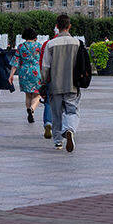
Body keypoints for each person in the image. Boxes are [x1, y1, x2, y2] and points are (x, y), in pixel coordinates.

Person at [41, 14, 81, 151]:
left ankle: (58, 141)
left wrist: (44, 81)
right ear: (69, 26)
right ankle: (69, 130)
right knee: (72, 110)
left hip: (55, 83)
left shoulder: (50, 44)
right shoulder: (77, 43)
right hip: (72, 83)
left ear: (57, 27)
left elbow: (46, 66)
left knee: (56, 113)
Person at [10, 27, 49, 130]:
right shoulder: (39, 46)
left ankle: (29, 109)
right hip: (37, 72)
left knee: (28, 94)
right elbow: (45, 60)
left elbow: (15, 62)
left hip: (24, 72)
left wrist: (11, 75)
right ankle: (32, 109)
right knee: (37, 94)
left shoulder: (21, 46)